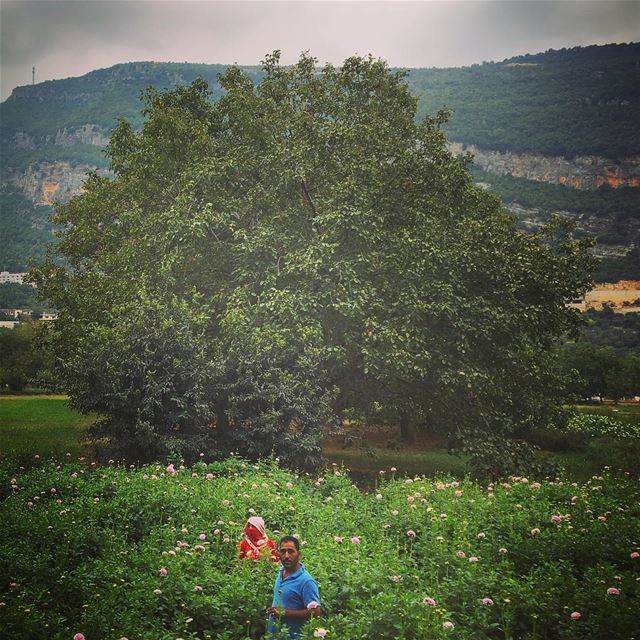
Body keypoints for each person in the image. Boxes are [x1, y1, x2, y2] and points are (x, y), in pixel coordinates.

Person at [266, 535, 321, 639]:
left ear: (299, 554)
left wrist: (285, 613)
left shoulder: (306, 581)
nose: (286, 555)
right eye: (283, 551)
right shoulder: (281, 572)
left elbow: (316, 612)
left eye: (291, 551)